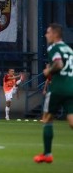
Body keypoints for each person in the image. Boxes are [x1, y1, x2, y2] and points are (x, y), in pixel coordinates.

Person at [34, 23, 73, 164]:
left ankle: (47, 154)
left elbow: (58, 64)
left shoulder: (54, 48)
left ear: (55, 34)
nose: (46, 35)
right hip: (71, 87)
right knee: (72, 121)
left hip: (58, 88)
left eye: (48, 32)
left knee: (47, 119)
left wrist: (48, 71)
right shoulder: (68, 49)